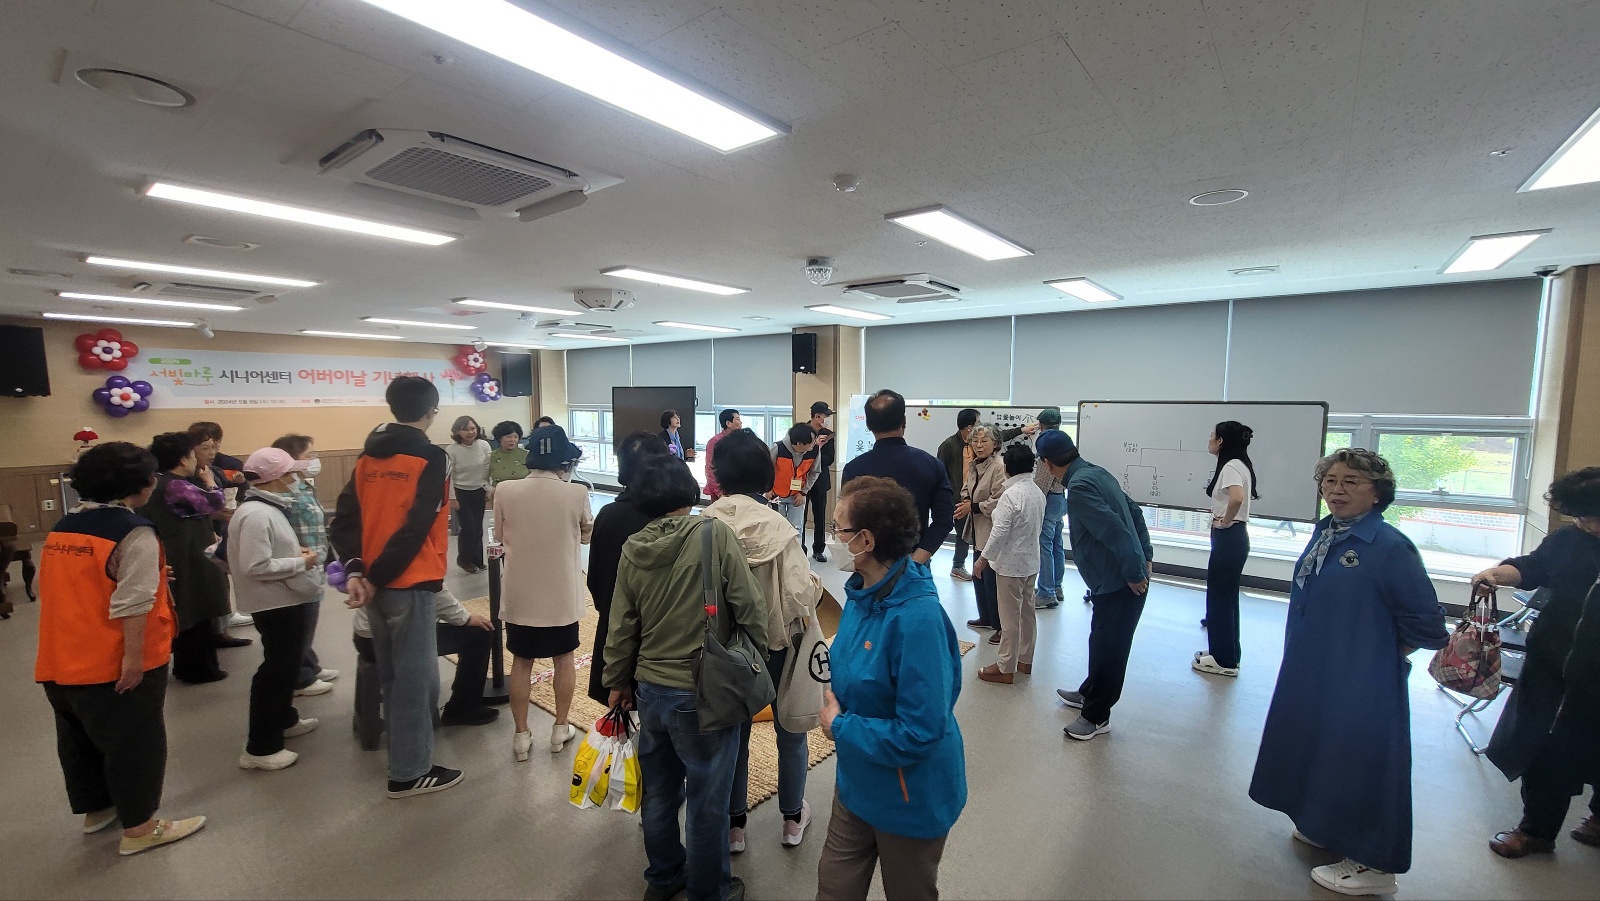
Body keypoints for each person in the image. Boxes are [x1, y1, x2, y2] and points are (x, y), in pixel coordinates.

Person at [1249, 448, 1448, 896]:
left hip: (1362, 679)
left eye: (1351, 482)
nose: (1337, 490)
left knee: (1364, 760)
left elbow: (1427, 625)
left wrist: (1373, 654)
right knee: (1322, 749)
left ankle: (1376, 864)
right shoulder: (1328, 532)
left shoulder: (1390, 547)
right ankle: (1325, 824)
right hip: (1314, 669)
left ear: (1377, 492)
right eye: (1330, 481)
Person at [604, 455, 765, 901]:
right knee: (707, 801)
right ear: (690, 492)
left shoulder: (634, 547)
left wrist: (617, 681)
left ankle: (663, 877)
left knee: (658, 792)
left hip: (650, 689)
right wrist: (758, 654)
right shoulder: (713, 534)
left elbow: (622, 624)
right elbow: (749, 604)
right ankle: (708, 891)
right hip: (704, 690)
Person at [36, 441, 207, 856]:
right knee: (135, 742)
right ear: (137, 483)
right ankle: (141, 828)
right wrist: (133, 660)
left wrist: (148, 572)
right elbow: (132, 603)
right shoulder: (134, 531)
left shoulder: (65, 526)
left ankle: (98, 810)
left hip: (61, 657)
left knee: (79, 740)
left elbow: (74, 581)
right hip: (112, 659)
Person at [816, 475, 965, 901]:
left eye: (839, 528)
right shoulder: (863, 594)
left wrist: (840, 726)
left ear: (865, 540)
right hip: (857, 780)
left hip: (908, 795)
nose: (833, 536)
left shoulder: (918, 620)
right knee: (834, 887)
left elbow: (921, 730)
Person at [329, 375, 464, 799]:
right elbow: (417, 526)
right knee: (414, 680)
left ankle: (405, 760)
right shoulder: (432, 457)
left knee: (392, 676)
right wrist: (375, 576)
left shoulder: (368, 455)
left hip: (375, 582)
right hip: (407, 579)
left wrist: (358, 571)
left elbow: (344, 519)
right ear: (431, 412)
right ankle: (409, 772)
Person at [704, 430, 825, 852]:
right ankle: (792, 819)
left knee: (732, 734)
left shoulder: (704, 523)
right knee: (789, 728)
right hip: (775, 643)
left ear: (718, 474)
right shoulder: (778, 525)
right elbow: (799, 595)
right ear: (766, 473)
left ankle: (735, 827)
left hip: (723, 650)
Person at [1475, 467, 1600, 858]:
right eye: (1580, 517)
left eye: (1593, 517)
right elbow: (1531, 567)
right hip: (1553, 666)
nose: (1587, 525)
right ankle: (1536, 832)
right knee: (1544, 749)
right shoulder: (1569, 539)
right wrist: (1498, 574)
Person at [1037, 430, 1155, 741]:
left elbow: (1114, 530)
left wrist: (1135, 572)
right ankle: (1089, 691)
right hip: (1113, 579)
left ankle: (1097, 716)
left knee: (1111, 648)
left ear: (1047, 464)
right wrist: (1147, 555)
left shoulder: (1079, 487)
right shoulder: (1096, 473)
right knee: (1101, 640)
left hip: (1119, 582)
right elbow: (1135, 512)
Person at [495, 424, 593, 759]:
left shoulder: (505, 490)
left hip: (520, 593)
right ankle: (559, 727)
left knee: (521, 662)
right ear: (564, 462)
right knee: (564, 658)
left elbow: (499, 536)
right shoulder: (576, 493)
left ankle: (521, 735)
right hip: (560, 594)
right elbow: (586, 535)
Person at [229, 448, 323, 772]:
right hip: (274, 602)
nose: (296, 479)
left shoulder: (267, 508)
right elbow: (255, 565)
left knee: (286, 665)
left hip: (282, 598)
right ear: (274, 478)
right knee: (276, 671)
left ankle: (284, 719)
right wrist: (301, 562)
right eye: (290, 474)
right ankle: (261, 747)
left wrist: (296, 552)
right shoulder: (257, 514)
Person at [586, 431, 671, 706]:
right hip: (666, 639)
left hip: (615, 627)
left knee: (621, 715)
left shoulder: (609, 514)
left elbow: (596, 580)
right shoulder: (672, 516)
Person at [139, 432, 231, 684]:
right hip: (186, 555)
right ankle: (199, 670)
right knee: (194, 610)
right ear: (182, 459)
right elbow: (214, 503)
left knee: (189, 610)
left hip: (180, 550)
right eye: (192, 454)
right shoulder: (175, 484)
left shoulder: (161, 481)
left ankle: (191, 666)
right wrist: (210, 482)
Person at [352, 587, 499, 727]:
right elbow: (435, 592)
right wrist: (466, 618)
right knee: (479, 635)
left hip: (364, 637)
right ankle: (463, 708)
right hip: (394, 639)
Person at [840, 390, 955, 567]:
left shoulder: (854, 469)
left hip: (870, 566)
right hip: (916, 563)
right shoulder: (931, 465)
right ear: (904, 422)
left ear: (868, 425)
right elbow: (944, 520)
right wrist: (915, 562)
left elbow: (847, 523)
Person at [271, 434, 338, 699]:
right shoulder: (285, 490)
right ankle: (299, 678)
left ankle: (310, 665)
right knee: (301, 622)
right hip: (300, 564)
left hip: (314, 561)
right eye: (309, 455)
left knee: (308, 618)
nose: (314, 460)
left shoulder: (304, 485)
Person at [975, 444, 1047, 684]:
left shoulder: (1011, 495)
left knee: (1009, 619)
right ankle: (1025, 660)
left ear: (1007, 467)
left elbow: (999, 532)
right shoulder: (1037, 492)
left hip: (1009, 565)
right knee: (1027, 613)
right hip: (1030, 562)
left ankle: (1005, 667)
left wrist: (983, 559)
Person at [1194, 421, 1259, 678]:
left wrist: (1225, 521)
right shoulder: (1240, 464)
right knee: (1227, 597)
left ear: (1221, 441)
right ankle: (1228, 654)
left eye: (1212, 435)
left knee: (1219, 597)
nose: (1209, 439)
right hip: (1236, 538)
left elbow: (1237, 498)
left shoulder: (1231, 466)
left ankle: (1222, 660)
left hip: (1229, 536)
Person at [188, 421, 253, 643]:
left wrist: (240, 482)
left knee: (220, 577)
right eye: (205, 448)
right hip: (199, 534)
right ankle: (214, 630)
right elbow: (208, 505)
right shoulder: (185, 478)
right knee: (205, 582)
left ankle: (221, 626)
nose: (212, 452)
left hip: (220, 529)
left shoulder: (216, 469)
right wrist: (213, 509)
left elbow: (233, 491)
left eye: (214, 447)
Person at [960, 426, 1005, 643]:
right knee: (979, 576)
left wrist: (974, 506)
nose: (979, 445)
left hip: (992, 527)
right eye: (975, 441)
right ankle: (986, 617)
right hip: (977, 528)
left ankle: (1000, 626)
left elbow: (999, 499)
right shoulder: (974, 465)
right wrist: (966, 500)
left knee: (991, 579)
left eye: (984, 441)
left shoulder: (999, 466)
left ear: (995, 444)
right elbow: (966, 489)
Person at [937, 409, 980, 581]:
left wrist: (1021, 430)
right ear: (969, 427)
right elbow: (939, 473)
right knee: (961, 533)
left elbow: (1000, 436)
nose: (980, 427)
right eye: (978, 423)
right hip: (955, 499)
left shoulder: (977, 443)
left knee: (968, 533)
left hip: (973, 497)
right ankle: (957, 566)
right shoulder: (948, 445)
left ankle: (962, 565)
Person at [1032, 407, 1069, 609]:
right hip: (1061, 499)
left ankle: (1046, 592)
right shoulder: (1065, 443)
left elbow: (1041, 483)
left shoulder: (1047, 445)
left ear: (1041, 425)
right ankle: (1056, 586)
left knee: (1044, 545)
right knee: (1056, 544)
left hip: (1048, 500)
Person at [446, 416, 491, 574]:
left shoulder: (484, 445)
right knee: (469, 527)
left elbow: (488, 469)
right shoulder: (452, 450)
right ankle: (464, 559)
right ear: (457, 432)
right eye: (465, 429)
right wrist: (452, 498)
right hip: (461, 492)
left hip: (479, 490)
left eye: (473, 428)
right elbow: (449, 476)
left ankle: (477, 560)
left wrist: (488, 488)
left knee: (478, 527)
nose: (470, 432)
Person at [771, 423, 819, 534]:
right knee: (778, 529)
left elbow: (815, 472)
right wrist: (767, 489)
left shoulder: (815, 450)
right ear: (799, 444)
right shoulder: (778, 448)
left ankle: (797, 546)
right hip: (776, 495)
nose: (814, 443)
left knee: (796, 530)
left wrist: (803, 492)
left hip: (797, 495)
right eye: (812, 441)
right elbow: (765, 469)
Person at [803, 401, 836, 563]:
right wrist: (814, 447)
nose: (828, 419)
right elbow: (798, 455)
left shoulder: (828, 435)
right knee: (800, 517)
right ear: (817, 416)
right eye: (826, 416)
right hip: (802, 480)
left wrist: (819, 451)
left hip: (820, 481)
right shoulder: (801, 431)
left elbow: (829, 459)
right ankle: (800, 549)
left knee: (820, 516)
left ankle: (819, 549)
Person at [702, 409, 742, 501]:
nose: (741, 423)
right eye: (738, 419)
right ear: (728, 423)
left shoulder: (739, 441)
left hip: (737, 489)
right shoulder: (715, 442)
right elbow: (710, 468)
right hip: (721, 490)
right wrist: (719, 492)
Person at [488, 421, 529, 486]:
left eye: (515, 437)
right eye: (509, 437)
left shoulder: (527, 455)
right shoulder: (491, 456)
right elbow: (483, 480)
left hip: (523, 490)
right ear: (500, 438)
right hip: (499, 490)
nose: (512, 440)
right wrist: (491, 490)